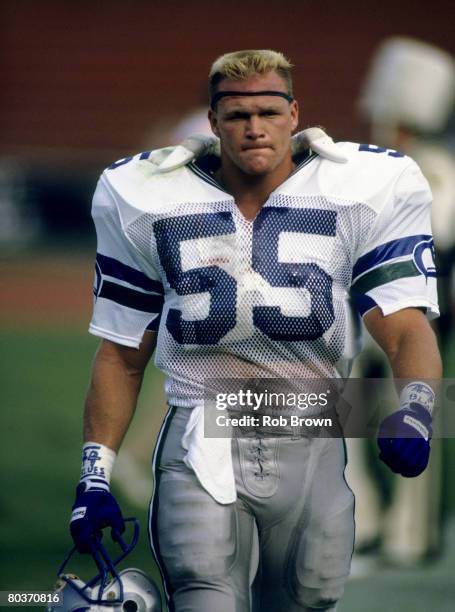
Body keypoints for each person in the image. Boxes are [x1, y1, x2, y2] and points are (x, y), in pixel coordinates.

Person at [69, 50, 442, 612]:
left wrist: (416, 408)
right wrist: (94, 475)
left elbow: (405, 327)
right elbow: (122, 354)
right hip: (200, 434)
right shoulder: (145, 196)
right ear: (214, 122)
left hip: (314, 433)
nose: (254, 127)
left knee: (308, 598)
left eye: (268, 111)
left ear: (295, 115)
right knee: (205, 594)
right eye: (237, 115)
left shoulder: (360, 192)